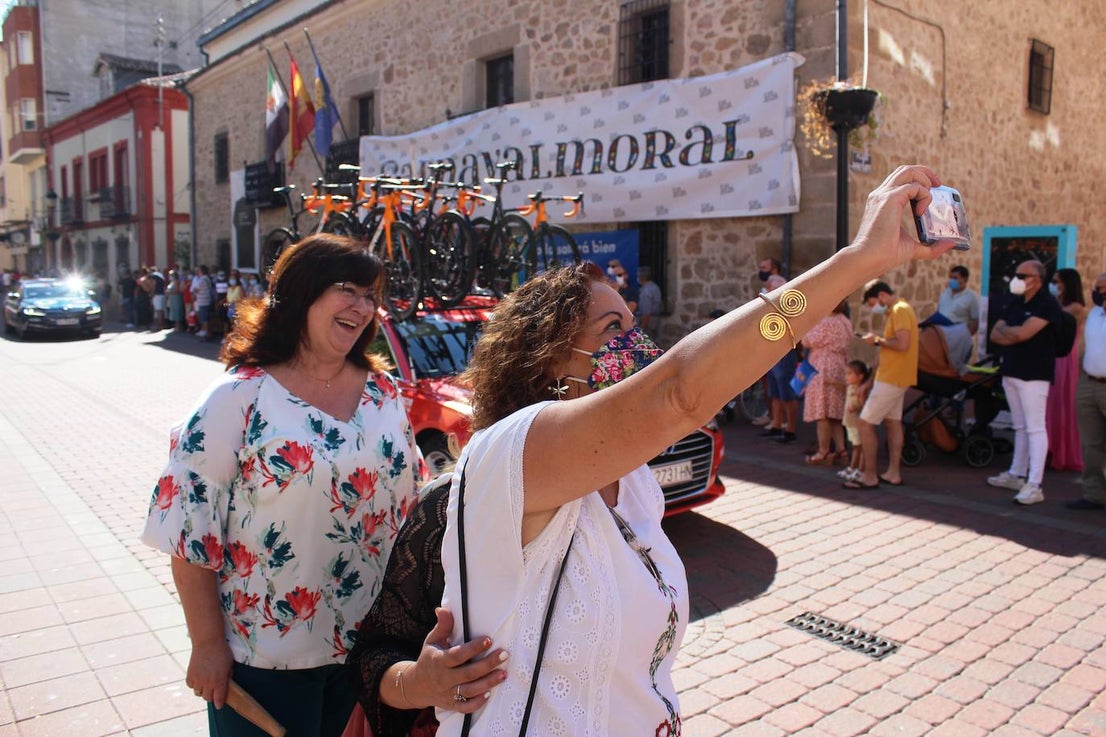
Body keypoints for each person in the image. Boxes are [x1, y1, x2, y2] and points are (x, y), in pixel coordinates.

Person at [349, 165, 958, 736]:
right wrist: (856, 263)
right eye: (613, 332)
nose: (636, 346)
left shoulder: (635, 480)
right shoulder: (514, 457)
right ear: (547, 360)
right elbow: (682, 391)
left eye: (633, 324)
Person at [141, 234, 427, 737]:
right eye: (347, 289)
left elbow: (412, 502)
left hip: (370, 653)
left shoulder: (383, 391)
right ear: (300, 294)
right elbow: (188, 533)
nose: (362, 307)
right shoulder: (238, 397)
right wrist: (207, 645)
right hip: (265, 657)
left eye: (371, 296)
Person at [986, 259, 1063, 505]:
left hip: (1034, 375)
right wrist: (1014, 333)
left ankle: (1034, 484)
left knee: (1035, 428)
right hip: (1012, 371)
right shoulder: (1016, 301)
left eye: (1022, 275)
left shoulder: (1047, 304)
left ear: (1036, 280)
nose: (1017, 279)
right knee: (1019, 426)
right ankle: (1016, 474)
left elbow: (1022, 333)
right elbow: (995, 333)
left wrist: (1012, 332)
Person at [847, 279, 919, 489]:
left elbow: (902, 344)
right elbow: (890, 347)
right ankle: (893, 473)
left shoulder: (899, 310)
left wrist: (877, 340)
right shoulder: (898, 310)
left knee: (865, 423)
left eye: (872, 303)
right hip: (895, 377)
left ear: (881, 296)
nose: (873, 308)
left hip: (891, 378)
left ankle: (870, 476)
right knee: (892, 422)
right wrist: (870, 380)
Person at [1068, 272, 1106, 511]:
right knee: (1091, 444)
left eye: (1104, 289)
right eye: (1097, 288)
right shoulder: (1093, 315)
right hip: (1088, 384)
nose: (1100, 293)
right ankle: (1094, 494)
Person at [801, 299, 852, 465]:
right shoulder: (845, 321)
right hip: (839, 365)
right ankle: (841, 450)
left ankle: (823, 452)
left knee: (822, 412)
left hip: (822, 365)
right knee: (835, 413)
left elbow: (807, 340)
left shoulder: (825, 321)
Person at [1045, 268, 1086, 471]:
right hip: (1051, 354)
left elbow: (1054, 320)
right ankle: (1048, 449)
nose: (1053, 284)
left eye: (1056, 281)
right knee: (1049, 404)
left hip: (1064, 359)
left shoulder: (1075, 307)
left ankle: (1060, 452)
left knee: (1060, 403)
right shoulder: (1057, 304)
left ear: (1067, 284)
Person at [757, 257, 798, 440]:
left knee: (785, 389)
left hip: (783, 346)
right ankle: (776, 423)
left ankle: (790, 428)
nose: (761, 270)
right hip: (771, 345)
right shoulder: (767, 287)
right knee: (773, 388)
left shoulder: (780, 285)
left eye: (764, 267)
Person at [837, 360, 872, 482]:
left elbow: (864, 406)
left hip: (857, 423)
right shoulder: (850, 387)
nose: (846, 376)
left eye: (849, 373)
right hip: (850, 422)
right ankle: (852, 467)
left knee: (859, 447)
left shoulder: (860, 390)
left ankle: (859, 469)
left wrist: (856, 406)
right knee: (855, 446)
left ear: (860, 376)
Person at [935, 264, 981, 334]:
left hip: (958, 337)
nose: (952, 280)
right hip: (942, 336)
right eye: (951, 277)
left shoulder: (971, 297)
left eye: (955, 278)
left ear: (965, 279)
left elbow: (975, 321)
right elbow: (938, 312)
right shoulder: (945, 293)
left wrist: (965, 336)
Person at [636, 265, 662, 334]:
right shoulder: (654, 287)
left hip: (647, 323)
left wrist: (641, 331)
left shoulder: (646, 291)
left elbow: (646, 313)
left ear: (641, 277)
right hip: (654, 322)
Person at [191, 265, 214, 339]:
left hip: (203, 300)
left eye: (198, 270)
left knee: (204, 317)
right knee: (203, 316)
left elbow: (196, 289)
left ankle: (205, 330)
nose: (197, 271)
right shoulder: (206, 278)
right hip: (204, 299)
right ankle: (203, 330)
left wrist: (194, 291)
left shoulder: (202, 279)